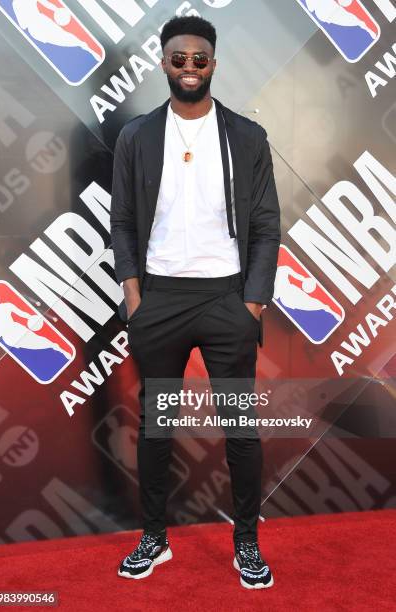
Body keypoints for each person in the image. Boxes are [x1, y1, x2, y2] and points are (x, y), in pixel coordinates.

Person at [110, 15, 280, 590]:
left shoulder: (247, 137)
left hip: (228, 300)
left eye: (199, 58)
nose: (189, 67)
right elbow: (124, 222)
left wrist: (252, 303)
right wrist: (135, 299)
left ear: (213, 63)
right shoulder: (136, 136)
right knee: (158, 428)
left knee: (240, 430)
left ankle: (248, 544)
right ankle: (153, 537)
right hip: (158, 300)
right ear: (162, 63)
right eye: (178, 58)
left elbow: (265, 224)